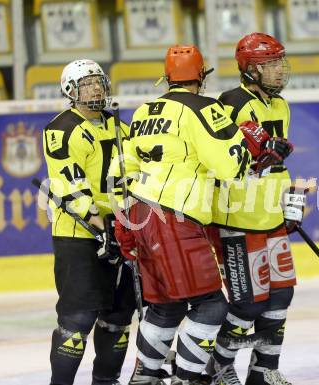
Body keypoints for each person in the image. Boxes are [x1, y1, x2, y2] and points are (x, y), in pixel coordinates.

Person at [109, 45, 274, 385]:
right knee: (211, 306)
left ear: (168, 77)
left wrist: (123, 220)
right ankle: (187, 378)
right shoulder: (204, 108)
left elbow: (121, 171)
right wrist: (250, 147)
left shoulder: (143, 111)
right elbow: (231, 167)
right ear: (200, 75)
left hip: (140, 212)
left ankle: (144, 378)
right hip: (175, 216)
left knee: (166, 307)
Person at [207, 33, 297, 385]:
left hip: (270, 216)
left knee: (281, 296)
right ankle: (217, 365)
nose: (278, 71)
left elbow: (280, 163)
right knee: (247, 304)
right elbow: (219, 160)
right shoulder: (229, 102)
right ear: (249, 70)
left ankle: (262, 372)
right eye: (268, 64)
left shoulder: (280, 106)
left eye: (279, 62)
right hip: (238, 219)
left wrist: (290, 203)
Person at [42, 59, 136, 385]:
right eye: (87, 84)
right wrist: (99, 224)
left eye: (98, 82)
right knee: (77, 318)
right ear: (71, 91)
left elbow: (137, 174)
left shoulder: (118, 125)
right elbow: (70, 184)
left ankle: (106, 381)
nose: (96, 88)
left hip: (119, 231)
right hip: (79, 236)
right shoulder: (61, 128)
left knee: (119, 317)